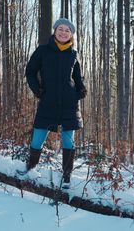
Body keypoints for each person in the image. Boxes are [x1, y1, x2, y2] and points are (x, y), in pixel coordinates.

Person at [23, 18, 87, 189]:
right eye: (61, 29)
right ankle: (30, 168)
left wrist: (81, 89)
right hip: (48, 101)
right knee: (37, 138)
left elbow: (77, 77)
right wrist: (37, 89)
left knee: (68, 141)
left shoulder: (73, 54)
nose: (64, 32)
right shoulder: (43, 51)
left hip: (69, 103)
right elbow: (30, 72)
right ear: (55, 31)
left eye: (67, 30)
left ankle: (66, 176)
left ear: (71, 34)